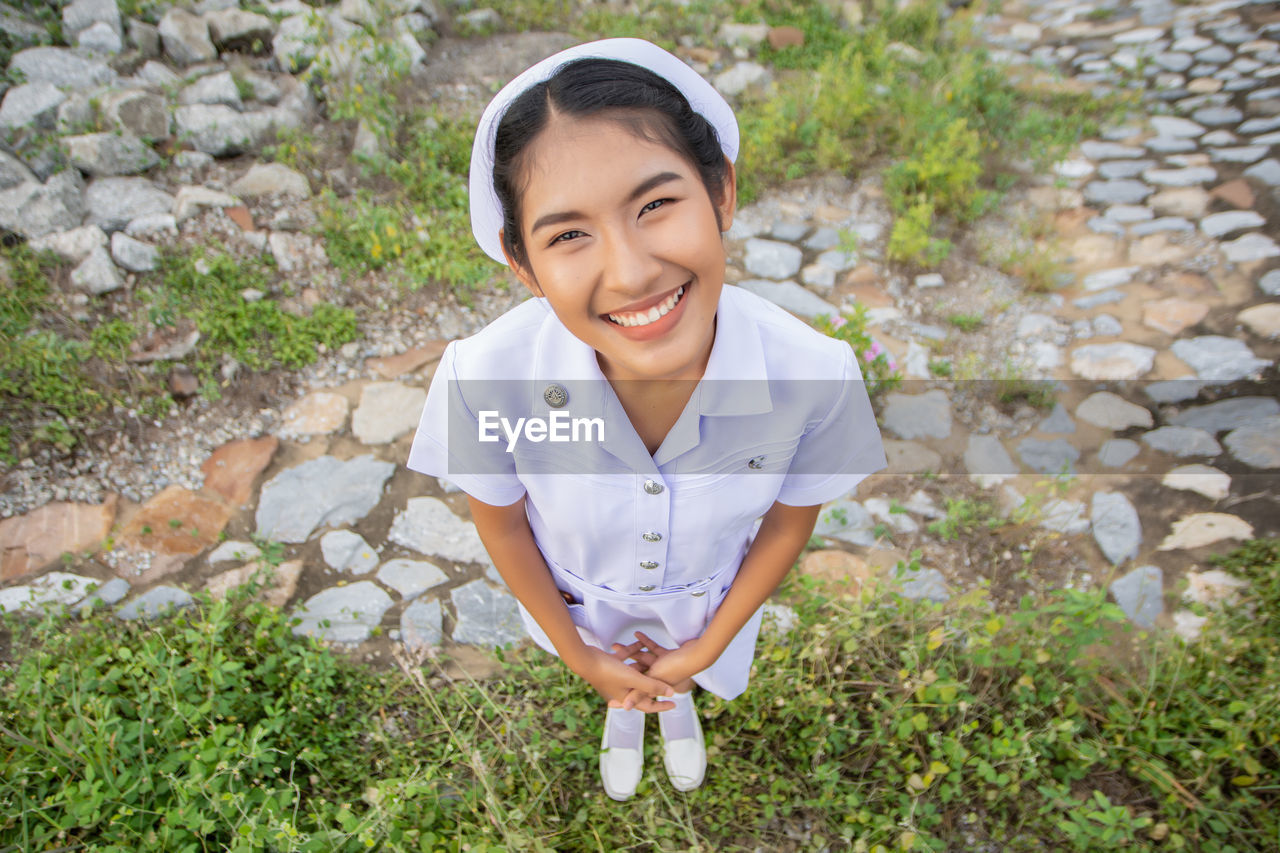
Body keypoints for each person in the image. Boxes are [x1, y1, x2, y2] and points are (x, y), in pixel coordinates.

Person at [407, 37, 886, 801]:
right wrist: (579, 654)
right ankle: (622, 709)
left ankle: (678, 698)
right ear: (521, 264)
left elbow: (792, 519)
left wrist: (710, 644)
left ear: (721, 190)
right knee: (617, 673)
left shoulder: (813, 374)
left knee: (674, 669)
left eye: (656, 204)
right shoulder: (485, 379)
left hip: (707, 605)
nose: (631, 272)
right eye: (568, 234)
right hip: (582, 609)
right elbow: (500, 525)